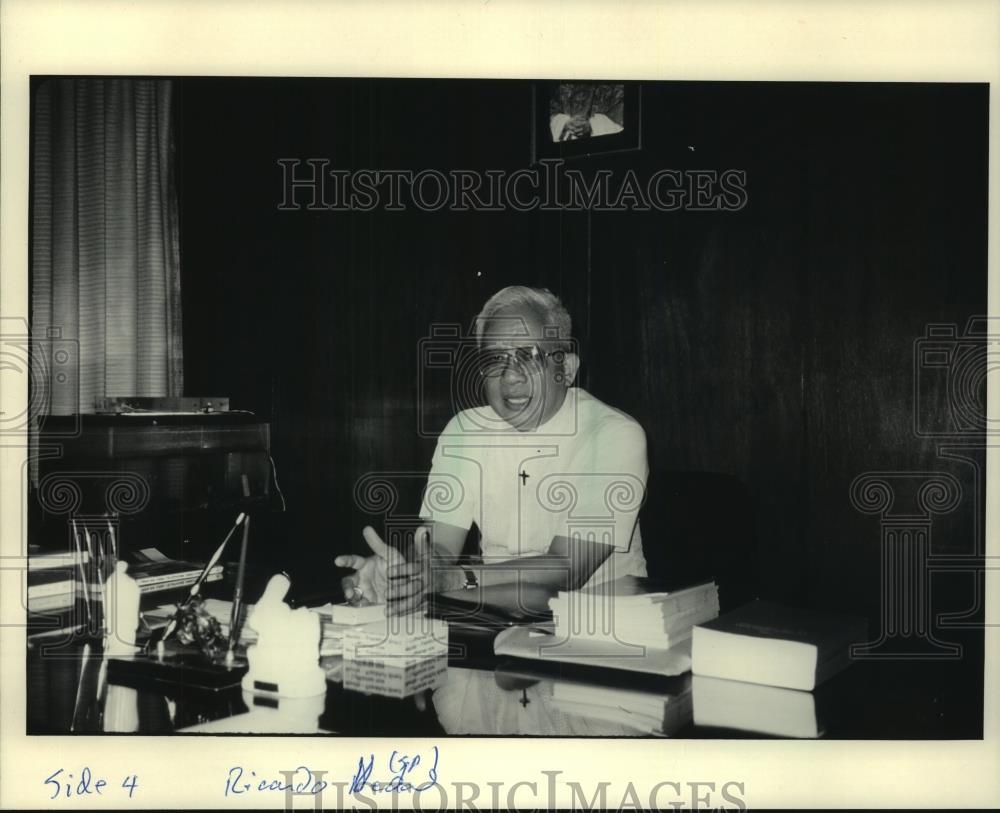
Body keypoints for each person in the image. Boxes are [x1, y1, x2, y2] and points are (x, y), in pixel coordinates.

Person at [335, 286, 648, 614]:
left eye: (530, 356)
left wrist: (449, 581)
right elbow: (438, 550)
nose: (510, 377)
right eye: (495, 359)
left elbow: (564, 572)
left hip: (604, 626)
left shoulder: (615, 435)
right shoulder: (465, 430)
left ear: (567, 369)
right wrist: (403, 579)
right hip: (494, 617)